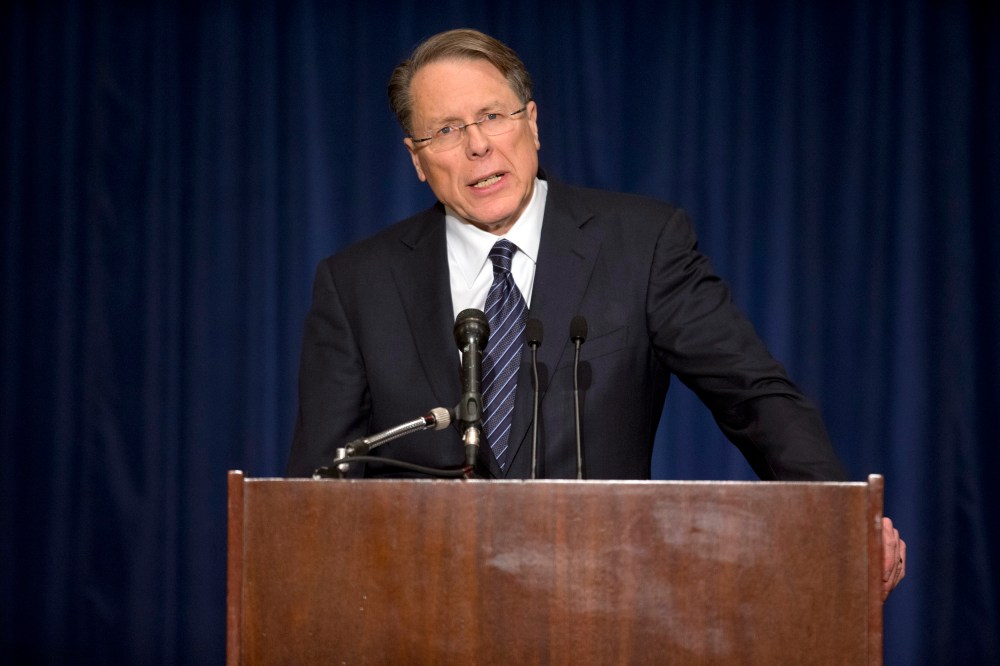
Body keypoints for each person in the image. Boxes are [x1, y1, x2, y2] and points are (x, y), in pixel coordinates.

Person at [286, 28, 905, 597]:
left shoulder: (641, 244)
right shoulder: (357, 283)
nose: (477, 145)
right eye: (445, 130)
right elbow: (319, 483)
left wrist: (839, 523)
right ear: (418, 160)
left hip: (604, 606)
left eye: (492, 117)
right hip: (421, 611)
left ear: (532, 124)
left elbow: (754, 397)